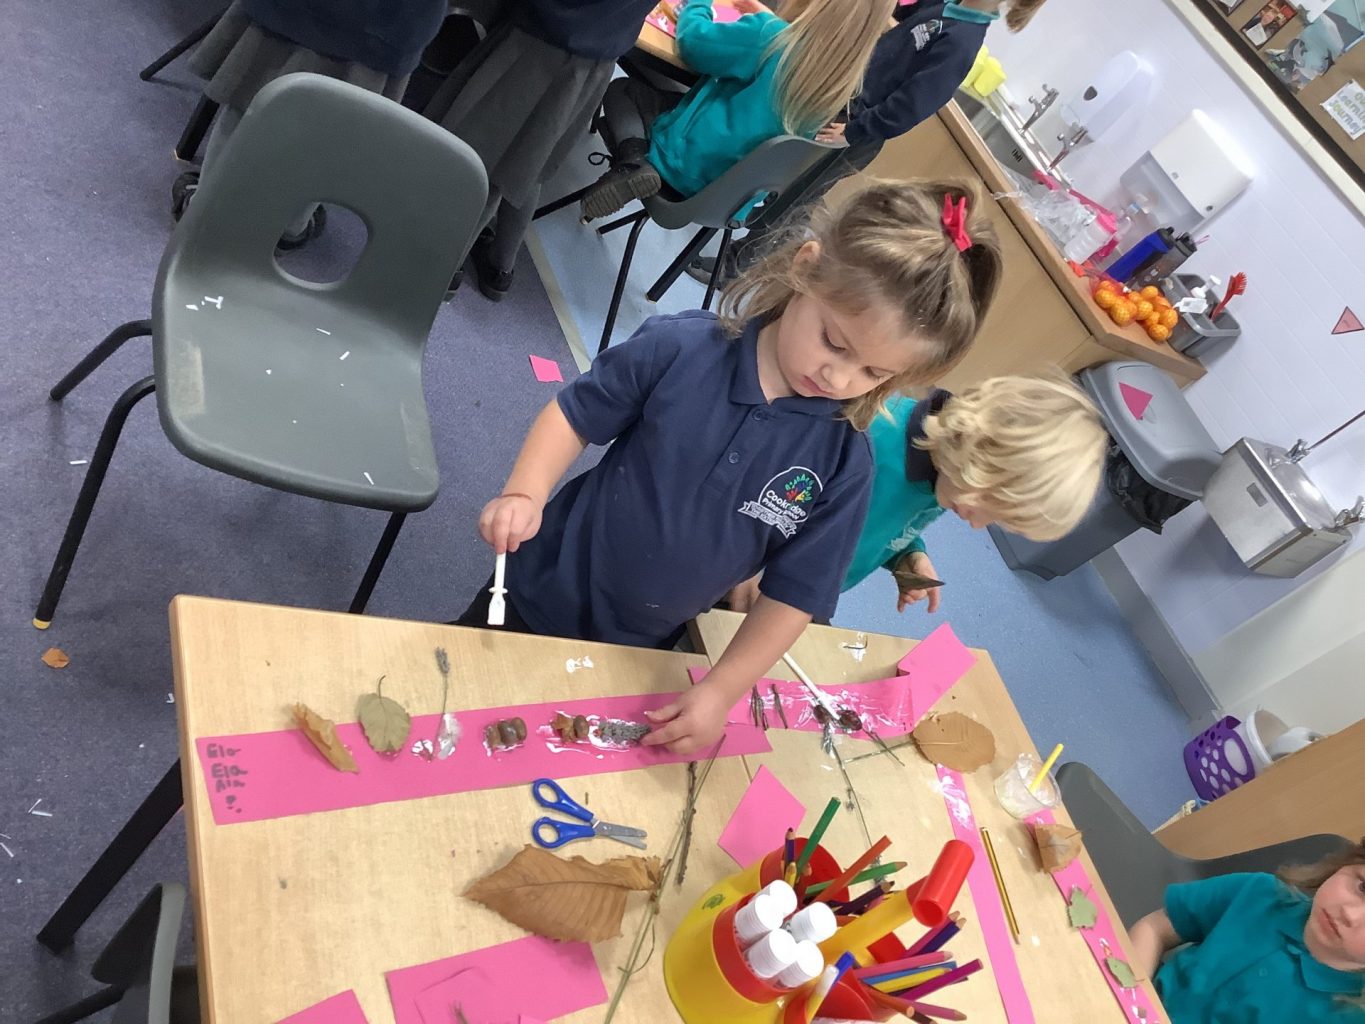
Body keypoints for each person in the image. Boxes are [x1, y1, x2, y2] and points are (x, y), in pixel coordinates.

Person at [455, 179, 1001, 755]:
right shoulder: (681, 347)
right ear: (805, 267)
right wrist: (524, 492)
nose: (840, 378)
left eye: (874, 374)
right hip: (538, 586)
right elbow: (575, 415)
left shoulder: (847, 466)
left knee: (540, 753)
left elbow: (794, 598)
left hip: (640, 651)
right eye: (834, 342)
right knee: (454, 702)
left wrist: (722, 690)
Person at [688, 0, 1048, 284]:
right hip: (844, 105)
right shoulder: (945, 8)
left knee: (794, 195)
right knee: (789, 185)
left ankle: (737, 267)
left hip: (855, 132)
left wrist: (854, 131)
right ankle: (764, 251)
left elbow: (911, 106)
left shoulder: (962, 41)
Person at [725, 374, 1107, 615]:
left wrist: (908, 554)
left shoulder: (946, 476)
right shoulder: (870, 438)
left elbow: (875, 521)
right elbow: (759, 490)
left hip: (801, 595)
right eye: (991, 506)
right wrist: (745, 568)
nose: (978, 525)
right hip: (742, 574)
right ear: (981, 455)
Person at [423, 0, 664, 300]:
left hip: (543, 44)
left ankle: (440, 270)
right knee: (528, 161)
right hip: (597, 56)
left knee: (487, 157)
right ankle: (500, 265)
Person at [577, 0, 894, 223]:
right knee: (676, 97)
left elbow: (693, 42)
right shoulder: (840, 89)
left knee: (623, 90)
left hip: (680, 165)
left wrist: (697, 4)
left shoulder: (770, 37)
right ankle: (638, 169)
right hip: (724, 200)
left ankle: (635, 162)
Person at [177, 0, 450, 246]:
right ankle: (286, 228)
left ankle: (207, 207)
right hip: (388, 24)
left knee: (251, 90)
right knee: (336, 127)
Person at [1127, 840, 1365, 1022]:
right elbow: (1155, 927)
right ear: (1346, 863)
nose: (1350, 914)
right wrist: (1130, 995)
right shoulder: (1259, 891)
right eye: (1363, 887)